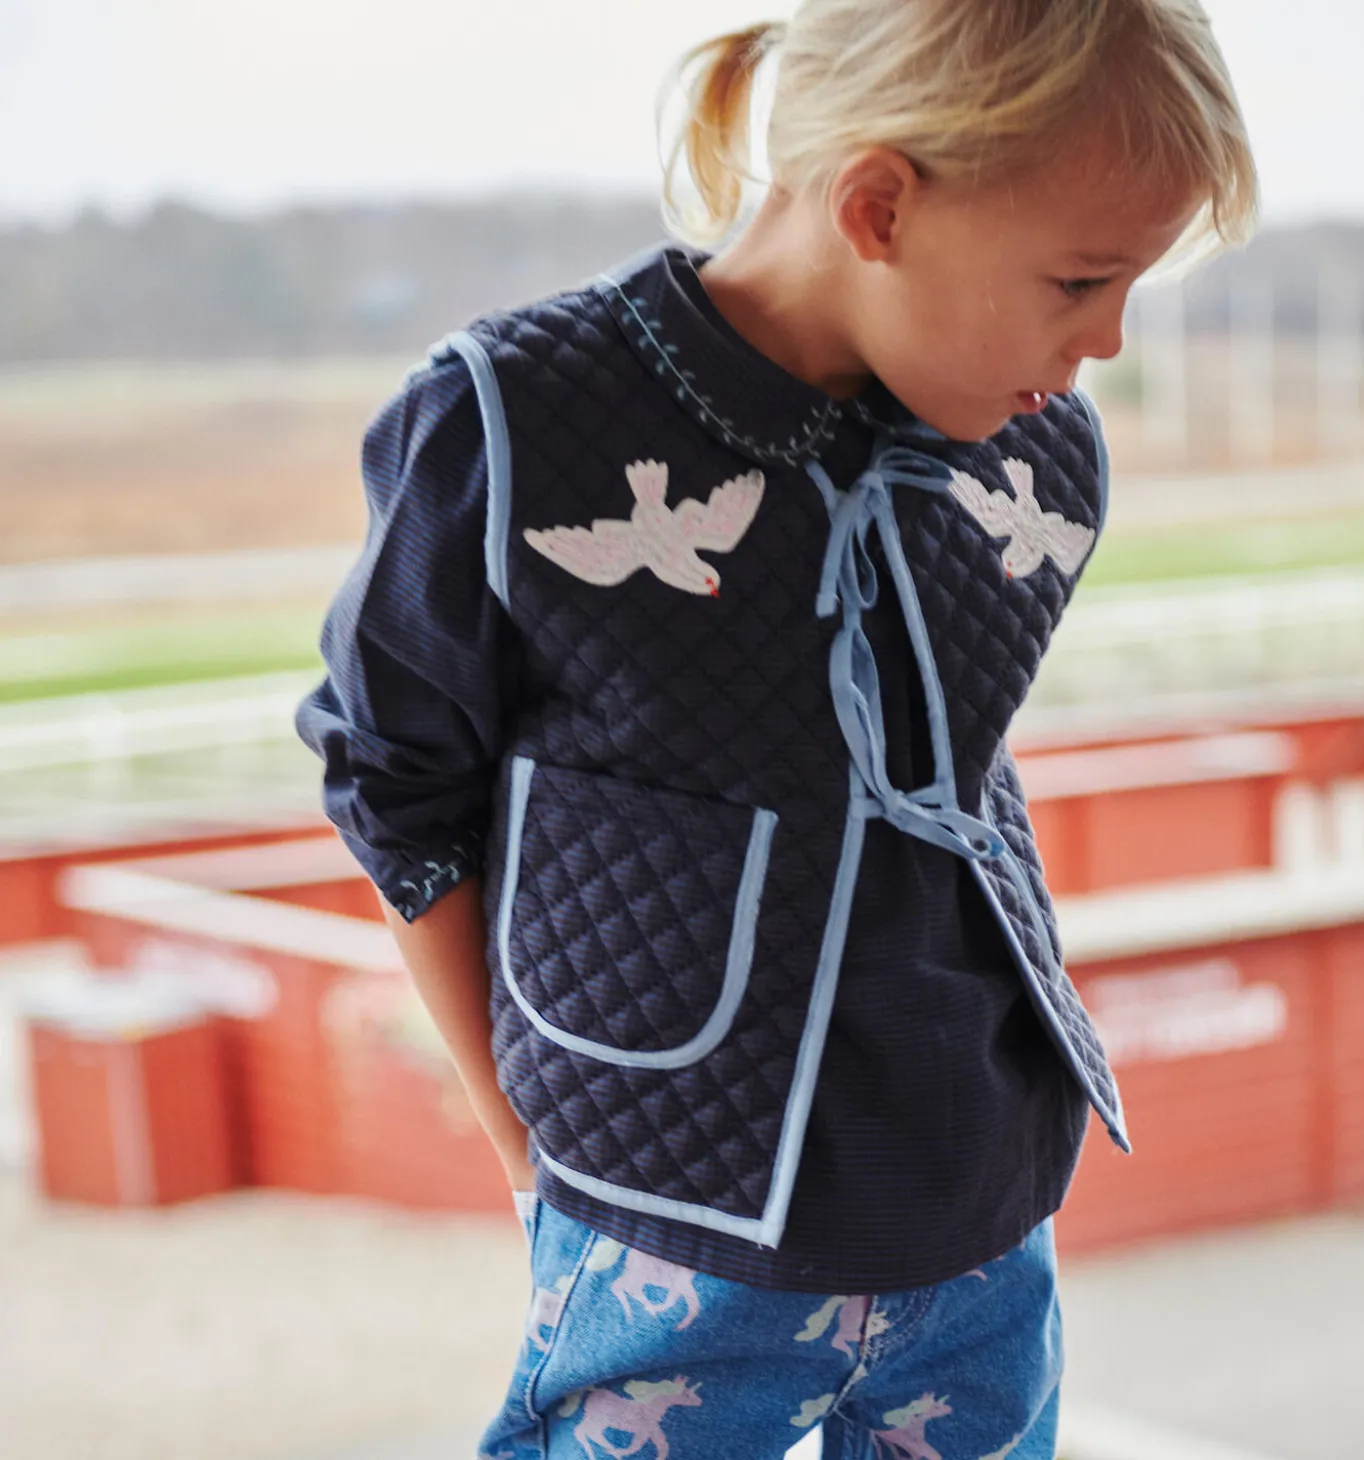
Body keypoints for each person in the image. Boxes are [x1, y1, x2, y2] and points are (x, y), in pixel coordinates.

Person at [296, 1, 1257, 1455]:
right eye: (1079, 281)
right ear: (878, 207)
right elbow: (398, 788)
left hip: (985, 1225)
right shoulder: (510, 424)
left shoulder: (1039, 458)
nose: (1108, 343)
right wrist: (523, 1146)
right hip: (666, 1238)